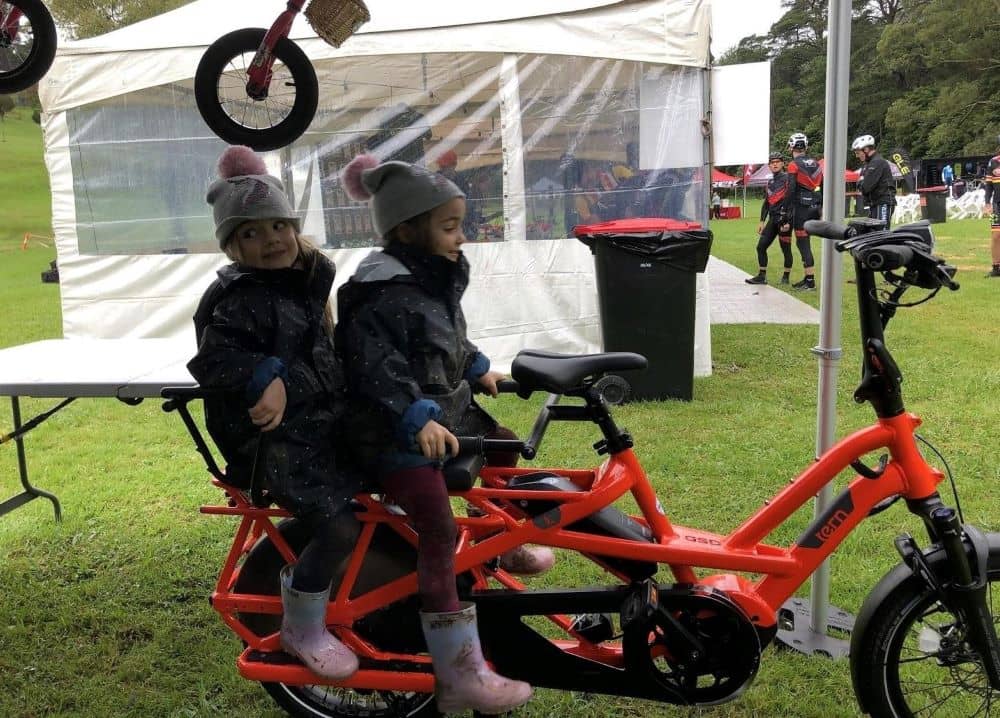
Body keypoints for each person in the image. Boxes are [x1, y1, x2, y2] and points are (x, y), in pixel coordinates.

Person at [335, 153, 553, 715]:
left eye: (461, 224)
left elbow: (445, 338)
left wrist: (479, 366)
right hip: (388, 430)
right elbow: (373, 367)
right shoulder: (378, 291)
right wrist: (414, 417)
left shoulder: (427, 279)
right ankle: (459, 671)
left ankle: (495, 548)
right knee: (434, 526)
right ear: (407, 230)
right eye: (450, 227)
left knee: (503, 444)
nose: (463, 238)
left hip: (443, 414)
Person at [188, 145, 360, 680]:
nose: (270, 241)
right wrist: (268, 375)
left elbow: (319, 353)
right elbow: (212, 361)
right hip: (270, 443)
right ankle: (302, 624)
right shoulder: (239, 298)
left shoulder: (303, 281)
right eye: (251, 233)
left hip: (318, 423)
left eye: (277, 226)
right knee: (338, 527)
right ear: (232, 245)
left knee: (404, 468)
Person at [745, 152, 794, 286]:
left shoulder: (788, 179)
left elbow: (792, 201)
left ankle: (786, 277)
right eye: (772, 162)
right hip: (772, 220)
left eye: (777, 162)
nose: (775, 164)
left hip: (785, 220)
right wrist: (761, 221)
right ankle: (761, 276)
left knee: (786, 249)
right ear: (769, 165)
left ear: (783, 164)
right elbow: (766, 203)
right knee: (761, 247)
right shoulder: (770, 181)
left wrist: (789, 220)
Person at [786, 132, 823, 291]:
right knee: (805, 243)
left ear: (791, 147)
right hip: (815, 205)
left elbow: (791, 189)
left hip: (801, 207)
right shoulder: (816, 163)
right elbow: (822, 185)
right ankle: (807, 278)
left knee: (803, 244)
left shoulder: (793, 164)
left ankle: (810, 281)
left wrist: (786, 209)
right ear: (806, 146)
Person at [852, 134, 896, 226]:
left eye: (858, 153)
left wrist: (861, 183)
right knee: (874, 234)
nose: (857, 156)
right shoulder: (868, 164)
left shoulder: (877, 162)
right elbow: (860, 186)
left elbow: (865, 187)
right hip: (874, 204)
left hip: (883, 203)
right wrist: (861, 183)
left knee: (881, 233)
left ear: (866, 149)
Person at [984, 139, 1000, 278]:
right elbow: (988, 184)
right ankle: (996, 268)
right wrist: (987, 202)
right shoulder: (993, 162)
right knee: (996, 236)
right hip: (997, 205)